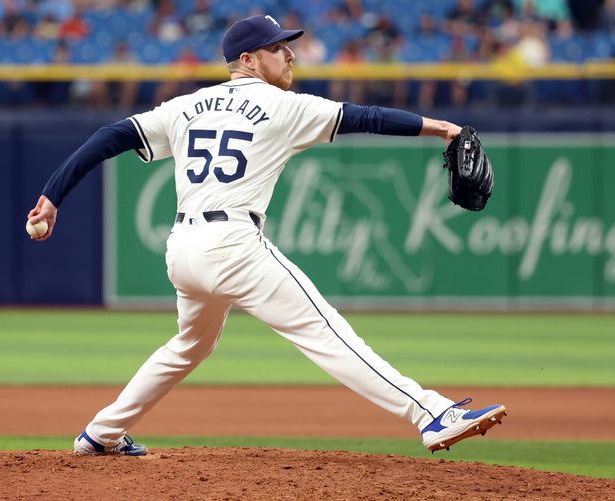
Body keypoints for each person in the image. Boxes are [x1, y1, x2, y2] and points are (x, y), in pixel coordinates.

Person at [27, 14, 506, 457]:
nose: (291, 55)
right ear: (249, 60)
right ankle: (432, 414)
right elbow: (368, 117)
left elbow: (109, 135)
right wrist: (443, 128)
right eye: (279, 48)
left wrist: (53, 195)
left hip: (183, 250)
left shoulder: (186, 106)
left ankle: (102, 433)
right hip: (234, 246)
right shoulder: (282, 106)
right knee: (328, 333)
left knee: (191, 345)